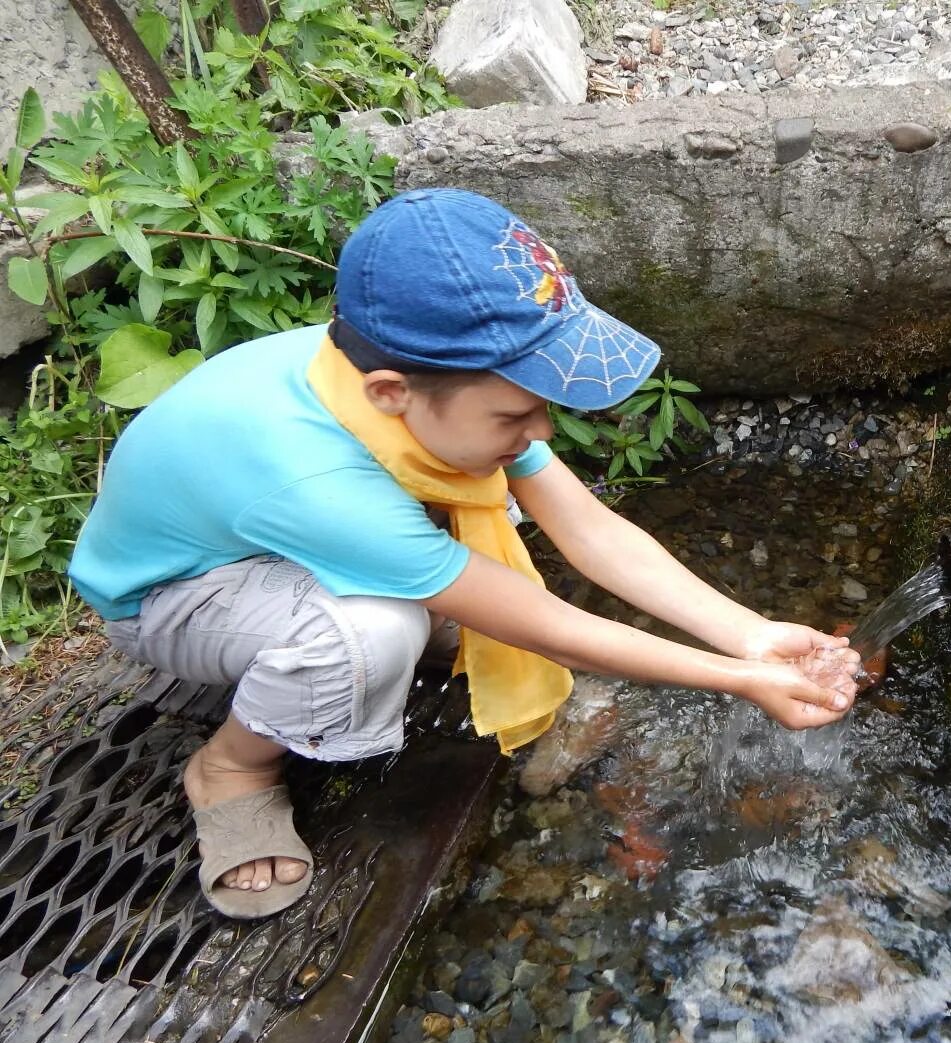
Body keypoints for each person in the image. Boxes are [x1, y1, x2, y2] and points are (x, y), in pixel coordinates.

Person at [69, 188, 860, 919]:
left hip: (278, 541)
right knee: (374, 632)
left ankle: (397, 607)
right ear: (392, 392)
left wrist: (749, 633)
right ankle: (232, 767)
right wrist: (742, 679)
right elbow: (545, 624)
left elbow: (590, 530)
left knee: (451, 543)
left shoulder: (411, 374)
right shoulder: (318, 472)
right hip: (171, 599)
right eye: (520, 412)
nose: (544, 430)